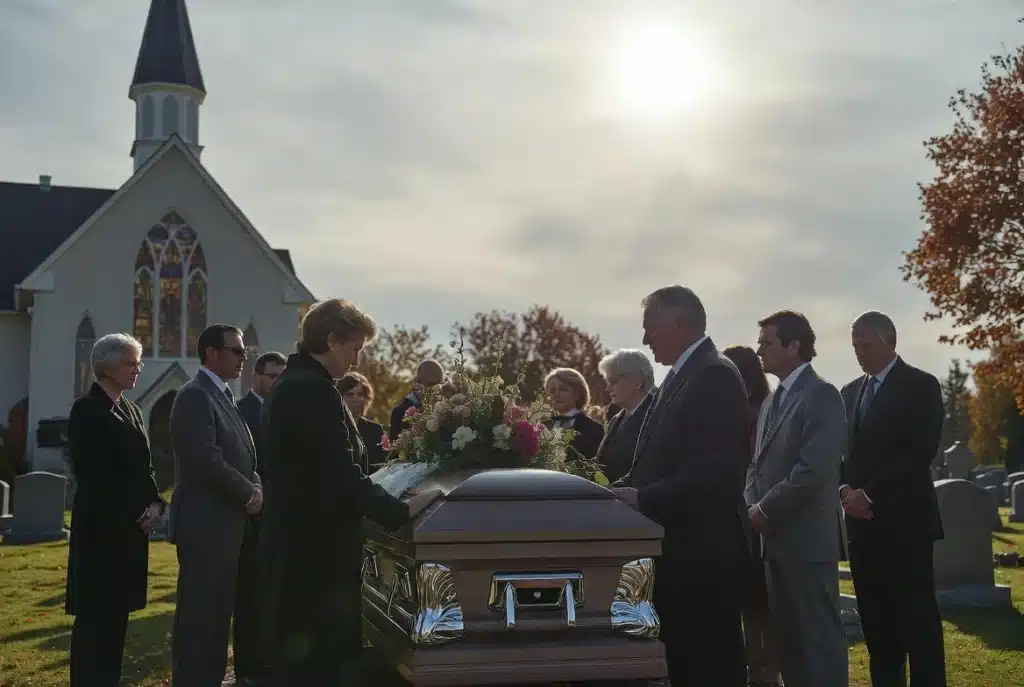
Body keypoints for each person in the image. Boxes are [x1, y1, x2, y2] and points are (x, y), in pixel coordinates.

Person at [260, 299, 441, 685]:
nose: (357, 361)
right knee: (315, 663)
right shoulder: (311, 390)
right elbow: (338, 473)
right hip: (313, 551)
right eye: (354, 348)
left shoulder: (298, 384)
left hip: (301, 543)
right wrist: (400, 510)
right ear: (330, 340)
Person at [610, 285, 751, 687]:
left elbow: (718, 469)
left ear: (679, 322)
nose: (644, 339)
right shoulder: (683, 377)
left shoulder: (714, 375)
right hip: (680, 557)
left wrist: (643, 497)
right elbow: (654, 461)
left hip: (703, 558)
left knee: (708, 668)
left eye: (649, 327)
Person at [841, 311, 946, 687]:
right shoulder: (850, 392)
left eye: (866, 345)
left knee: (918, 626)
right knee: (878, 630)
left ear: (891, 341)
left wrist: (870, 494)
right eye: (855, 346)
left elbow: (918, 451)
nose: (859, 353)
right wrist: (845, 492)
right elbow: (844, 455)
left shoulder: (920, 385)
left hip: (905, 525)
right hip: (862, 530)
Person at [746, 310, 848, 687]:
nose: (759, 351)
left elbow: (813, 468)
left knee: (817, 642)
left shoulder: (821, 395)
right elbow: (754, 467)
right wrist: (750, 507)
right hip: (772, 542)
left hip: (806, 541)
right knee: (787, 644)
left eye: (767, 343)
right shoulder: (773, 401)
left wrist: (766, 509)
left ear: (795, 346)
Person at [65, 333, 164, 687]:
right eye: (130, 363)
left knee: (117, 618)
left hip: (129, 533)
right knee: (96, 620)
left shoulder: (132, 410)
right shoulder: (87, 410)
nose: (138, 369)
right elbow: (95, 474)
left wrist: (154, 503)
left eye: (138, 362)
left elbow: (144, 467)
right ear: (106, 367)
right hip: (102, 530)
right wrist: (136, 511)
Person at [169, 324, 262, 687]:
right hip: (206, 526)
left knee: (217, 618)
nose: (244, 358)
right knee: (201, 621)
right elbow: (204, 458)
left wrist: (256, 485)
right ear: (212, 353)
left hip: (226, 525)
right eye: (237, 351)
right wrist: (248, 493)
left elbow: (243, 457)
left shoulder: (221, 394)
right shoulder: (194, 396)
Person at [723, 344, 780, 687]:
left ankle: (765, 670)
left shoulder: (759, 411)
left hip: (754, 510)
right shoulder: (745, 409)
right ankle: (757, 668)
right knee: (752, 600)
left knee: (760, 600)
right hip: (739, 510)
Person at [234, 350, 285, 686]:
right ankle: (248, 667)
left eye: (283, 376)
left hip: (281, 516)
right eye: (273, 376)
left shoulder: (284, 412)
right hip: (251, 517)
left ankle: (272, 662)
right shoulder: (241, 411)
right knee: (249, 595)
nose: (278, 382)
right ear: (257, 377)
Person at [594, 349, 655, 483]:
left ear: (637, 382)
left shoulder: (656, 416)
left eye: (614, 381)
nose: (608, 389)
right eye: (607, 382)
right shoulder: (616, 419)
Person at [543, 367, 605, 459]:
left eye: (563, 389)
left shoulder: (594, 429)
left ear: (578, 393)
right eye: (552, 390)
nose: (556, 394)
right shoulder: (542, 427)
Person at [337, 371, 388, 474]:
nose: (355, 399)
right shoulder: (334, 427)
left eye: (360, 394)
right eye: (350, 394)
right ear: (340, 397)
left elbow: (382, 462)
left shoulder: (376, 429)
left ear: (366, 398)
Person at [389, 359, 445, 439]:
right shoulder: (400, 412)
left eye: (438, 385)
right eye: (430, 385)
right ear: (417, 383)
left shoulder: (449, 408)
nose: (435, 389)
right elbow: (396, 446)